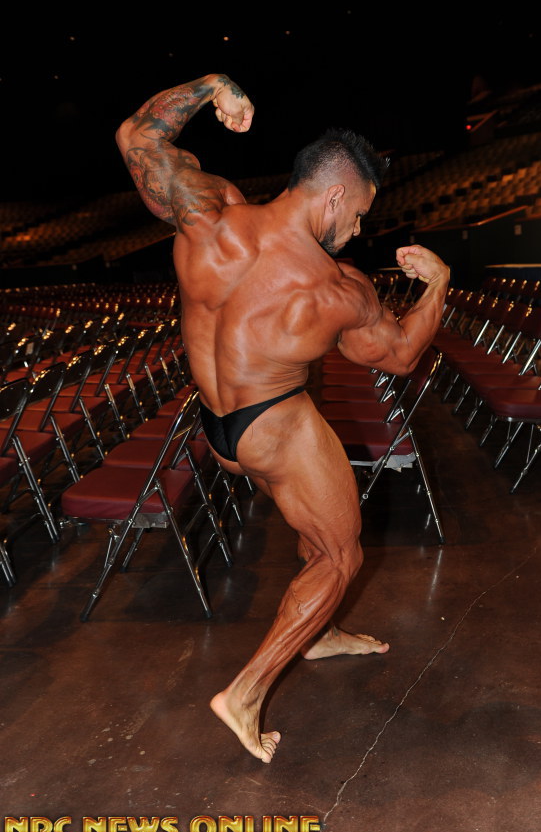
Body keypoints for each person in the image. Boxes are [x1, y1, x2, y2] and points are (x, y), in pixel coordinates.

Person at [116, 72, 450, 763]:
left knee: (312, 520)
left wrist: (213, 87)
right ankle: (244, 694)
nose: (358, 229)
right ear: (335, 196)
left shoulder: (208, 212)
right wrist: (438, 285)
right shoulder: (338, 287)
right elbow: (400, 356)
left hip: (215, 424)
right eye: (359, 214)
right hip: (273, 426)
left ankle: (317, 632)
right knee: (339, 554)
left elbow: (136, 135)